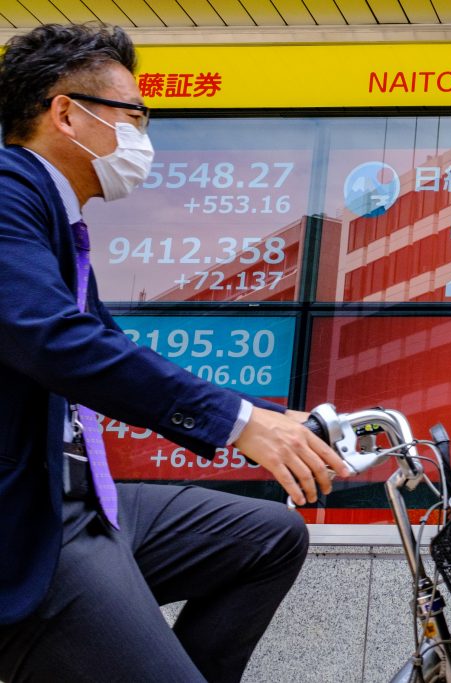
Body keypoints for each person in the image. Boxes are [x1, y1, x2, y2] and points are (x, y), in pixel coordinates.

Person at [0, 24, 350, 682]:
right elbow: (55, 342)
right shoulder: (6, 197)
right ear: (67, 114)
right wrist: (241, 424)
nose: (142, 136)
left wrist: (271, 416)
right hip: (34, 528)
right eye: (132, 114)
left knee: (269, 536)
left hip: (84, 498)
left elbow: (107, 347)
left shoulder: (54, 217)